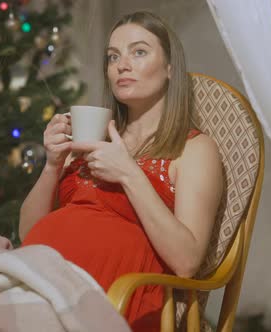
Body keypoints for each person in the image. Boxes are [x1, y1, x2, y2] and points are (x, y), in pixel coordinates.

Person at [19, 11, 224, 331]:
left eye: (138, 52)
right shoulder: (92, 139)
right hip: (37, 281)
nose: (121, 65)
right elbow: (27, 233)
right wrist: (52, 164)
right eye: (113, 56)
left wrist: (129, 174)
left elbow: (186, 261)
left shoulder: (195, 149)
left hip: (109, 299)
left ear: (171, 68)